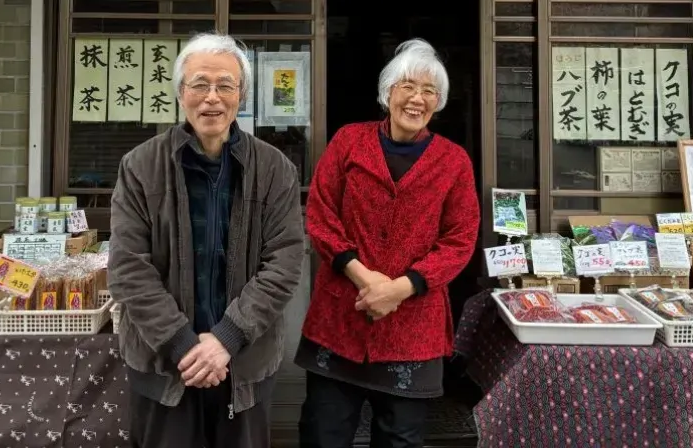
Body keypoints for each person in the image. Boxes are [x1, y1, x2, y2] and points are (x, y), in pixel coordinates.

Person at [109, 32, 306, 448]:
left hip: (244, 364)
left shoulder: (275, 170)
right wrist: (182, 344)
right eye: (199, 84)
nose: (211, 97)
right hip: (164, 363)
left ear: (242, 94)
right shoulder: (141, 166)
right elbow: (128, 268)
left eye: (225, 85)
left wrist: (226, 338)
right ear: (181, 92)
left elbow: (285, 263)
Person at [296, 38, 481, 448]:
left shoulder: (453, 161)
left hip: (413, 327)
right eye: (408, 86)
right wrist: (363, 278)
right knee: (322, 434)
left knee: (401, 439)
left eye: (429, 91)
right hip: (339, 317)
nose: (417, 99)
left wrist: (400, 288)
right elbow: (321, 215)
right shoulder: (348, 141)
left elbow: (460, 239)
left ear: (439, 101)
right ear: (388, 92)